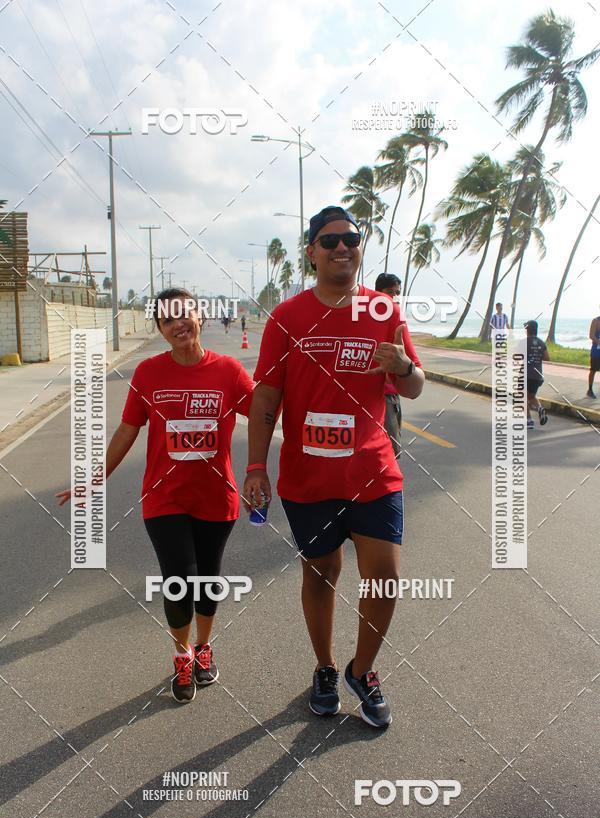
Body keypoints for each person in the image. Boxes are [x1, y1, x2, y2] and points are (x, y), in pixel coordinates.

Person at [243, 206, 424, 728]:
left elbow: (413, 385)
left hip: (373, 471)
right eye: (329, 241)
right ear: (312, 252)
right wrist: (256, 466)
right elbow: (266, 399)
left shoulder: (384, 311)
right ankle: (324, 668)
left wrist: (404, 367)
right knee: (322, 575)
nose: (342, 247)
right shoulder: (287, 317)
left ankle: (361, 671)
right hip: (308, 480)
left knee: (384, 580)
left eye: (351, 237)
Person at [57, 287, 254, 703]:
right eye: (167, 320)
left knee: (208, 581)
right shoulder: (148, 373)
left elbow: (268, 414)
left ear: (199, 315)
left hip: (218, 497)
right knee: (178, 579)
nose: (178, 324)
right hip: (164, 499)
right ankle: (182, 655)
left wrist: (262, 468)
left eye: (184, 314)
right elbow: (128, 429)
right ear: (161, 330)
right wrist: (96, 478)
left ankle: (203, 647)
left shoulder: (229, 372)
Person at [375, 273, 403, 459]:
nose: (393, 298)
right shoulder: (363, 319)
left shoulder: (395, 319)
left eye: (396, 293)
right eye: (389, 292)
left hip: (393, 394)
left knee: (392, 448)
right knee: (387, 450)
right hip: (377, 395)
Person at [524, 319, 549, 429]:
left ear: (528, 329)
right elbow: (547, 358)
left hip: (526, 374)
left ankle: (529, 420)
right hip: (537, 376)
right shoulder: (541, 342)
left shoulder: (524, 342)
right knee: (532, 396)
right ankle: (540, 409)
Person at [587, 311, 600, 398]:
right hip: (596, 350)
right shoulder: (595, 321)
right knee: (593, 370)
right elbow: (591, 335)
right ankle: (590, 390)